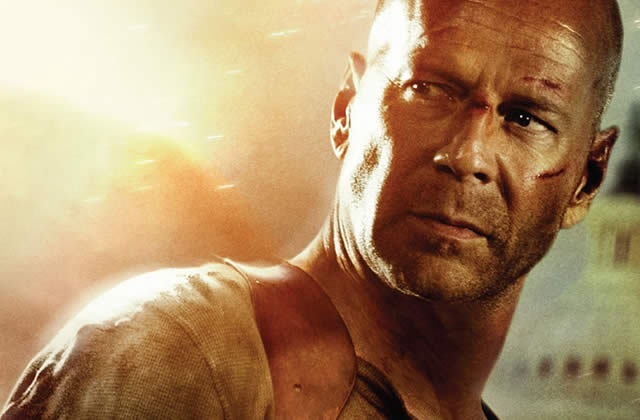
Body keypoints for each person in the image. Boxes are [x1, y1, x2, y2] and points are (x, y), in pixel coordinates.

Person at [1, 0, 624, 418]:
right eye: (428, 89)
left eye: (525, 118)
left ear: (587, 178)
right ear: (347, 110)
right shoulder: (176, 351)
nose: (467, 155)